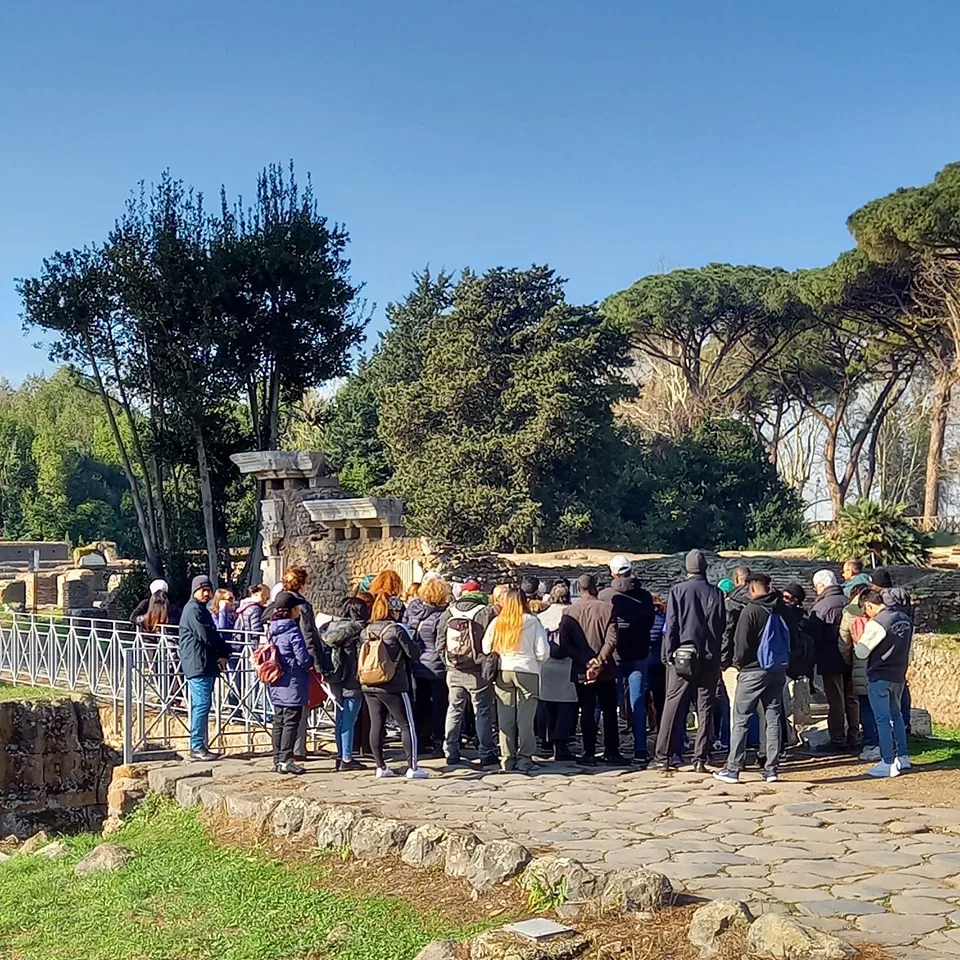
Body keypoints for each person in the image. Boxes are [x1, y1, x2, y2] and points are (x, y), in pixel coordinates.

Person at [714, 574, 790, 784]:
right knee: (773, 717)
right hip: (777, 669)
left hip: (752, 671)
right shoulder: (781, 608)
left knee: (741, 718)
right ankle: (772, 769)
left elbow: (741, 644)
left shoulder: (751, 610)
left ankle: (733, 768)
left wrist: (739, 664)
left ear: (753, 589)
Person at [653, 549, 724, 773]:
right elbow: (721, 624)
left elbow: (671, 624)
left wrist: (668, 654)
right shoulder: (716, 593)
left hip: (683, 654)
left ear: (687, 568)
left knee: (672, 705)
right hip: (708, 655)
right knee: (705, 707)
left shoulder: (678, 591)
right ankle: (700, 757)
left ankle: (663, 755)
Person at [559, 573, 622, 766]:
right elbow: (612, 639)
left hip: (581, 668)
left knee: (586, 710)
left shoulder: (569, 612)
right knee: (609, 710)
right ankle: (612, 751)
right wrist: (600, 660)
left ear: (578, 589)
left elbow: (565, 644)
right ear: (595, 587)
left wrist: (586, 661)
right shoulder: (608, 608)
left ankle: (589, 752)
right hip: (605, 669)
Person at [483, 588, 549, 772]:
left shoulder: (498, 622)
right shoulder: (532, 622)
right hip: (527, 670)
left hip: (504, 669)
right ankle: (525, 758)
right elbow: (543, 652)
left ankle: (507, 758)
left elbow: (486, 647)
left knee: (505, 716)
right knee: (525, 717)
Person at [360, 592, 425, 778]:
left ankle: (380, 766)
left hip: (369, 683)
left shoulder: (366, 631)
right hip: (393, 683)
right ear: (393, 611)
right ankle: (412, 767)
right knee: (407, 724)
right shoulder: (395, 629)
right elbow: (413, 653)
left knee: (377, 724)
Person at [599, 555, 655, 767]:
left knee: (607, 704)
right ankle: (640, 749)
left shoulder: (605, 596)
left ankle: (608, 748)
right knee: (638, 702)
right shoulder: (645, 596)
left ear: (612, 573)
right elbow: (650, 621)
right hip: (638, 653)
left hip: (612, 655)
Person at [437, 583, 499, 769]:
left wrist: (449, 662)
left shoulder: (449, 612)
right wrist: (488, 669)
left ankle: (451, 751)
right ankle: (486, 753)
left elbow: (439, 642)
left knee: (454, 709)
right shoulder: (486, 612)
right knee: (482, 712)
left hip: (454, 669)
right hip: (478, 671)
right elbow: (492, 644)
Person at [856, 589, 913, 777]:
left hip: (880, 675)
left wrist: (859, 637)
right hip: (898, 674)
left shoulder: (877, 623)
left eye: (866, 609)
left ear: (870, 605)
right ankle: (903, 757)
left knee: (881, 719)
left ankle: (887, 762)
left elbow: (861, 652)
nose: (866, 613)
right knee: (896, 716)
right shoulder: (905, 619)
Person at [178, 575, 231, 761]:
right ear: (195, 591)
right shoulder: (193, 610)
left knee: (201, 704)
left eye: (209, 590)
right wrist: (224, 650)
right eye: (203, 590)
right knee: (201, 704)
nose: (207, 593)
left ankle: (199, 745)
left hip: (202, 662)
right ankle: (197, 746)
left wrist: (222, 652)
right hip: (197, 663)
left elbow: (211, 634)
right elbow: (207, 636)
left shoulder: (200, 609)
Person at [273, 566, 324, 760]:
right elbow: (308, 636)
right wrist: (315, 663)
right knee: (297, 710)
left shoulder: (278, 604)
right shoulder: (299, 607)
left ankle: (280, 756)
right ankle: (295, 752)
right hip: (296, 666)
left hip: (278, 670)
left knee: (281, 716)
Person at [264, 591, 314, 775]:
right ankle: (286, 760)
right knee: (291, 721)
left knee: (279, 720)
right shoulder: (292, 630)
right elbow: (302, 658)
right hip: (292, 681)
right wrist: (310, 661)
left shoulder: (273, 628)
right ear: (292, 610)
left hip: (276, 680)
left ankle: (277, 758)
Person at [809, 569, 859, 753]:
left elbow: (813, 633)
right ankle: (855, 736)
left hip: (830, 658)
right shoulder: (848, 601)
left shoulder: (822, 606)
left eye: (816, 587)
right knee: (852, 699)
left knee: (836, 700)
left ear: (822, 586)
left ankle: (838, 739)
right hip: (852, 657)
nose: (815, 591)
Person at [322, 596, 369, 771]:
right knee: (350, 719)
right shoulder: (358, 631)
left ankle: (341, 755)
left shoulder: (331, 628)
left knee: (340, 719)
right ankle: (347, 759)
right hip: (351, 680)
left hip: (335, 678)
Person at [535, 580, 578, 761]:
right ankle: (561, 743)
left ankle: (547, 739)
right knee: (567, 706)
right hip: (568, 664)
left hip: (547, 664)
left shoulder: (541, 617)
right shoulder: (573, 615)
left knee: (548, 704)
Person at [408, 577, 450, 759]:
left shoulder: (413, 611)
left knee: (420, 703)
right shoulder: (443, 615)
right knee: (439, 705)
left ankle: (420, 739)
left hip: (417, 663)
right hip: (437, 665)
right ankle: (437, 741)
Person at [870, 568, 914, 734]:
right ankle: (905, 722)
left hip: (886, 650)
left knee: (886, 695)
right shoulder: (903, 598)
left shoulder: (885, 600)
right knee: (901, 687)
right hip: (904, 645)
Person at [841, 584, 876, 761]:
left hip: (860, 661)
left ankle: (870, 743)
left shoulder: (849, 613)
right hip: (881, 663)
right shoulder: (880, 611)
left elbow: (843, 642)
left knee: (866, 706)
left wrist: (850, 662)